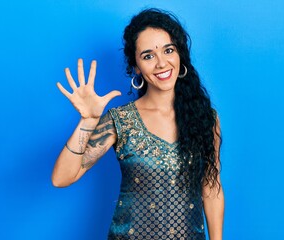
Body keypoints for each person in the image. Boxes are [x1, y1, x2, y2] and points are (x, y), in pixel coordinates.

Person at [51, 8, 224, 240]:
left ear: (180, 55)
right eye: (148, 56)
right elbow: (62, 178)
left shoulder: (206, 118)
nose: (161, 63)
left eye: (168, 50)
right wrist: (88, 121)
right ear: (136, 66)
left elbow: (211, 188)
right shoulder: (120, 120)